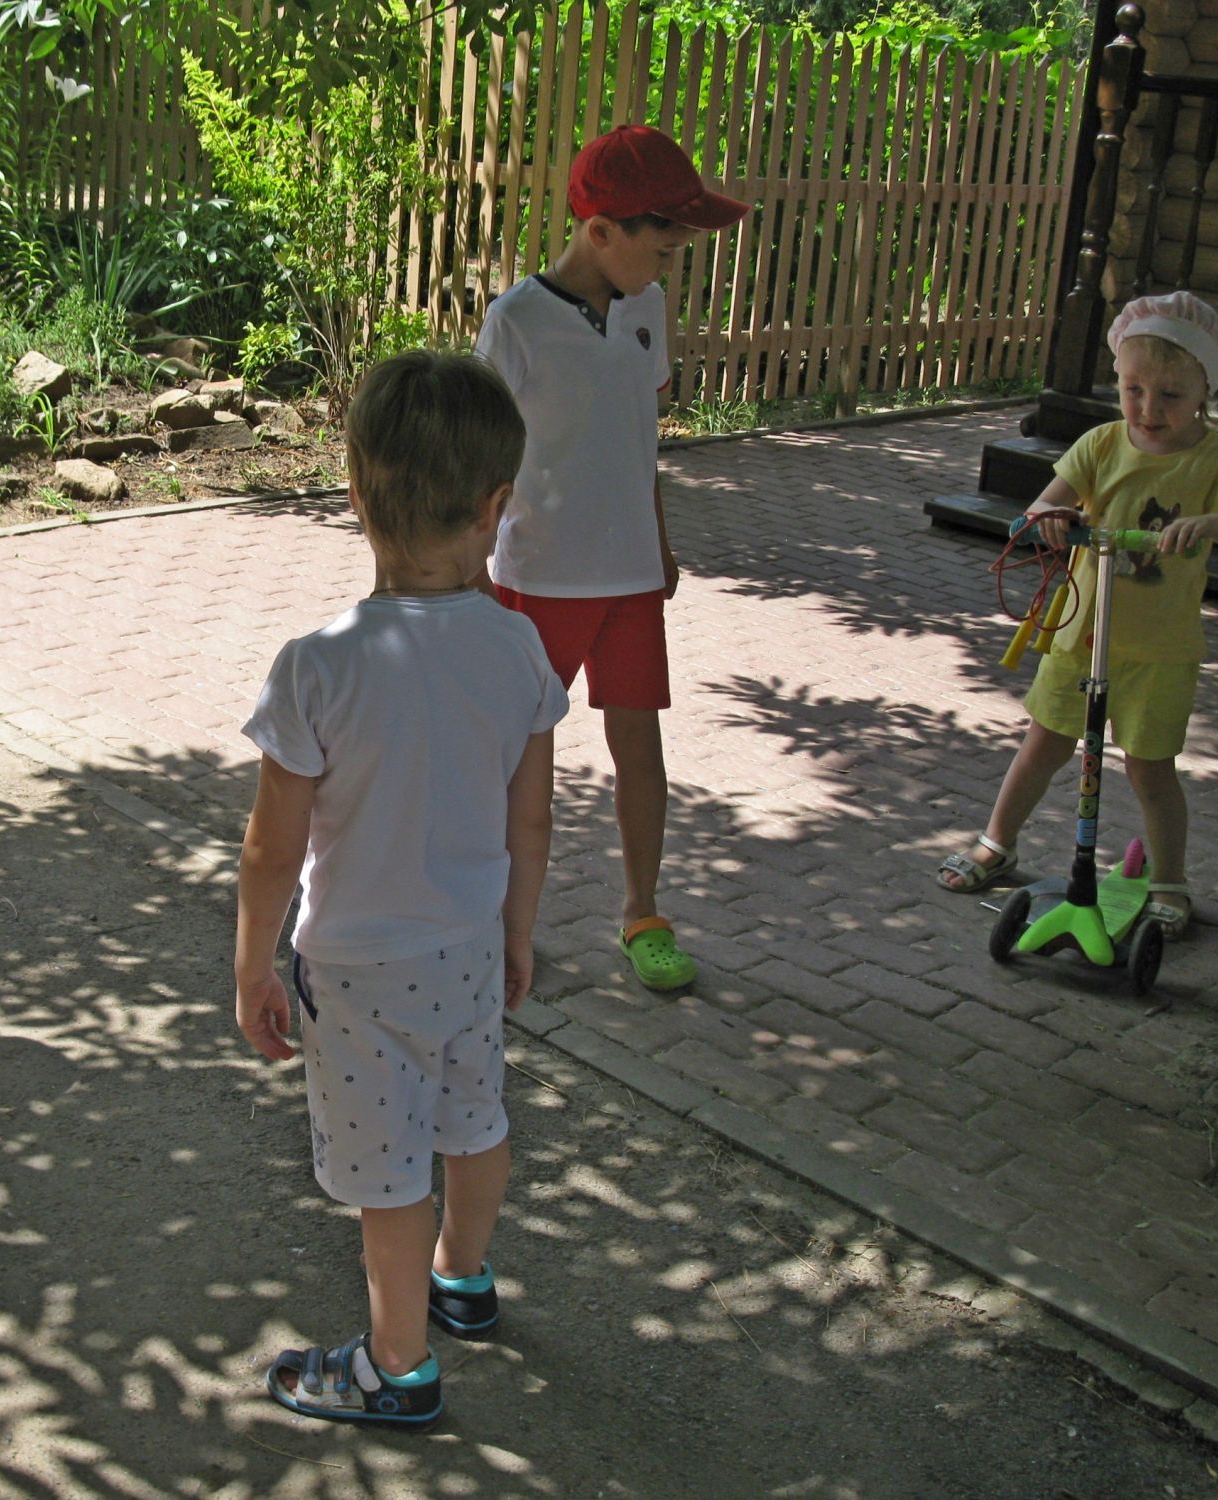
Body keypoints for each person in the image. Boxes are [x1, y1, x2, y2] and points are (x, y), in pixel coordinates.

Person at [233, 351, 566, 1426]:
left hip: (357, 970)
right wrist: (517, 933)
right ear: (495, 508)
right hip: (465, 947)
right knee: (473, 1120)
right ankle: (461, 1277)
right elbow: (530, 819)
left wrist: (250, 964)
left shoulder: (317, 666)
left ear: (354, 494)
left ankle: (397, 1367)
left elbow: (271, 849)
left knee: (388, 1175)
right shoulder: (518, 649)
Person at [473, 124, 749, 994]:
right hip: (538, 577)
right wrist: (471, 571)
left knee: (641, 748)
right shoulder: (515, 322)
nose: (668, 267)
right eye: (661, 248)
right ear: (600, 231)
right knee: (514, 759)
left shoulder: (646, 308)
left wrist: (658, 543)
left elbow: (640, 438)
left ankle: (642, 913)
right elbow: (480, 456)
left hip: (630, 578)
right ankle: (492, 918)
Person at [935, 291, 1218, 938]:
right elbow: (1036, 510)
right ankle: (996, 842)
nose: (1148, 409)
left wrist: (1212, 523)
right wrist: (1054, 516)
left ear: (1204, 392)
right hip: (1082, 635)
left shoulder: (1216, 460)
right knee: (1044, 743)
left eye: (1170, 395)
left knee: (1150, 768)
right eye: (1133, 390)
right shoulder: (1100, 444)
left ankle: (1169, 880)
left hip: (1160, 649)